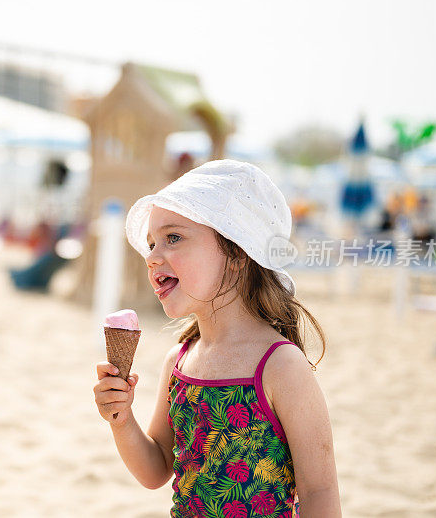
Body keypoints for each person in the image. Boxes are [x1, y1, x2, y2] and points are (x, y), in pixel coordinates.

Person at [93, 159, 340, 516]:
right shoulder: (179, 360)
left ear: (237, 251)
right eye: (151, 244)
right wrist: (121, 418)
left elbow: (320, 490)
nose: (152, 257)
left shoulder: (280, 365)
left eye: (173, 238)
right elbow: (156, 468)